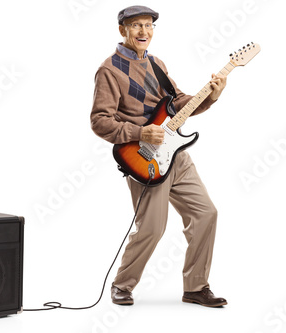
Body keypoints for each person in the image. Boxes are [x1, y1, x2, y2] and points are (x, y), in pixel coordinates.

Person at [90, 5, 228, 307]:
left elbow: (177, 104)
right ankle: (122, 285)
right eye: (136, 26)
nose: (144, 31)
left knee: (206, 213)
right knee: (153, 227)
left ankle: (195, 287)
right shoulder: (109, 70)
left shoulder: (157, 64)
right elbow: (100, 120)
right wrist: (140, 133)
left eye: (149, 25)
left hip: (176, 155)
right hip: (144, 157)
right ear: (122, 30)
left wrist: (211, 96)